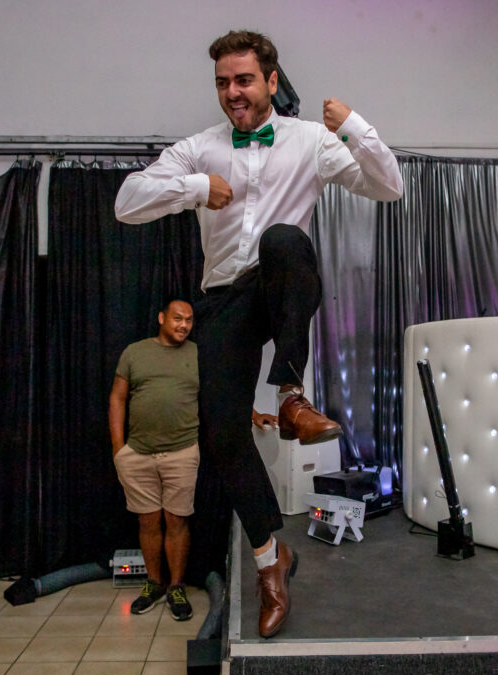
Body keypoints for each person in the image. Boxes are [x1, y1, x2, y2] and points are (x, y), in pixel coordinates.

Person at [115, 29, 403, 638]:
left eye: (244, 79)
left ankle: (291, 394)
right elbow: (127, 201)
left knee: (283, 239)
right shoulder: (201, 147)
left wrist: (355, 125)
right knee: (222, 437)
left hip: (283, 285)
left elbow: (388, 186)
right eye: (222, 82)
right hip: (222, 301)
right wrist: (193, 189)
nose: (232, 92)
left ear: (272, 81)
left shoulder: (311, 140)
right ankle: (273, 561)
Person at [109, 299, 199, 621]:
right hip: (138, 454)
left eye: (188, 320)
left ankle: (176, 586)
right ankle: (153, 583)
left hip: (182, 451)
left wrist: (253, 413)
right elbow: (117, 399)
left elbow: (219, 395)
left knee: (177, 520)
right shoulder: (135, 352)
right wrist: (120, 449)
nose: (184, 325)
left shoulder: (196, 354)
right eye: (177, 318)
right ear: (162, 318)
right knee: (148, 521)